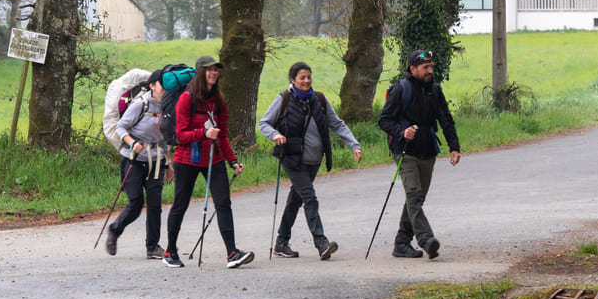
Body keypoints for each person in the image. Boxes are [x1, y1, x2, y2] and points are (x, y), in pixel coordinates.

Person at [259, 62, 363, 260]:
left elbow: (337, 124)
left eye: (308, 77)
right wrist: (275, 135)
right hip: (292, 158)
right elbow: (263, 123)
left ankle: (281, 243)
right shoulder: (284, 99)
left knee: (296, 199)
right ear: (292, 80)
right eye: (302, 78)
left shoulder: (319, 100)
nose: (306, 81)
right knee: (309, 197)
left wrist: (354, 145)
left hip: (314, 159)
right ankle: (321, 242)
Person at [163, 55, 251, 269]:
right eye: (208, 69)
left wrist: (233, 161)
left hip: (214, 158)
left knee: (223, 203)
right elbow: (180, 135)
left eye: (215, 70)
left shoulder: (219, 101)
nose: (213, 73)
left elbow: (222, 135)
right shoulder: (186, 98)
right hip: (186, 159)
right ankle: (170, 251)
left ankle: (232, 253)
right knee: (180, 205)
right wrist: (203, 133)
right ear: (200, 73)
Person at [377, 49, 461, 259]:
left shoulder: (434, 90)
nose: (430, 70)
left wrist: (454, 146)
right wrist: (401, 131)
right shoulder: (400, 90)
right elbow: (384, 120)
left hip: (428, 150)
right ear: (412, 69)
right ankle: (426, 239)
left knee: (417, 198)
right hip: (406, 151)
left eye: (431, 66)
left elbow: (445, 119)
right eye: (425, 67)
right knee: (414, 196)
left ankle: (401, 243)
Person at [105, 69, 170, 260]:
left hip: (156, 160)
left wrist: (169, 163)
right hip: (132, 159)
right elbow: (120, 126)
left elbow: (164, 135)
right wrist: (132, 143)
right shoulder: (140, 104)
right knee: (135, 203)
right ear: (152, 86)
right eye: (162, 85)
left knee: (155, 205)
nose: (165, 90)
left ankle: (152, 246)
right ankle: (115, 230)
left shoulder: (166, 107)